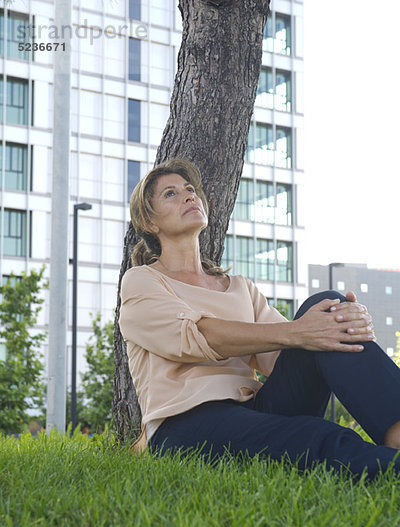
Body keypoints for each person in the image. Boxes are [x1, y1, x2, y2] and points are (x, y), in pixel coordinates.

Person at [119, 157, 400, 480]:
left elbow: (288, 352)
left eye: (190, 189)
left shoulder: (240, 289)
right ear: (150, 222)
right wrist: (300, 332)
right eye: (170, 194)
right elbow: (197, 336)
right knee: (314, 437)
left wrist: (344, 328)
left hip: (253, 409)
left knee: (328, 307)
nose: (188, 196)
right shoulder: (143, 281)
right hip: (184, 424)